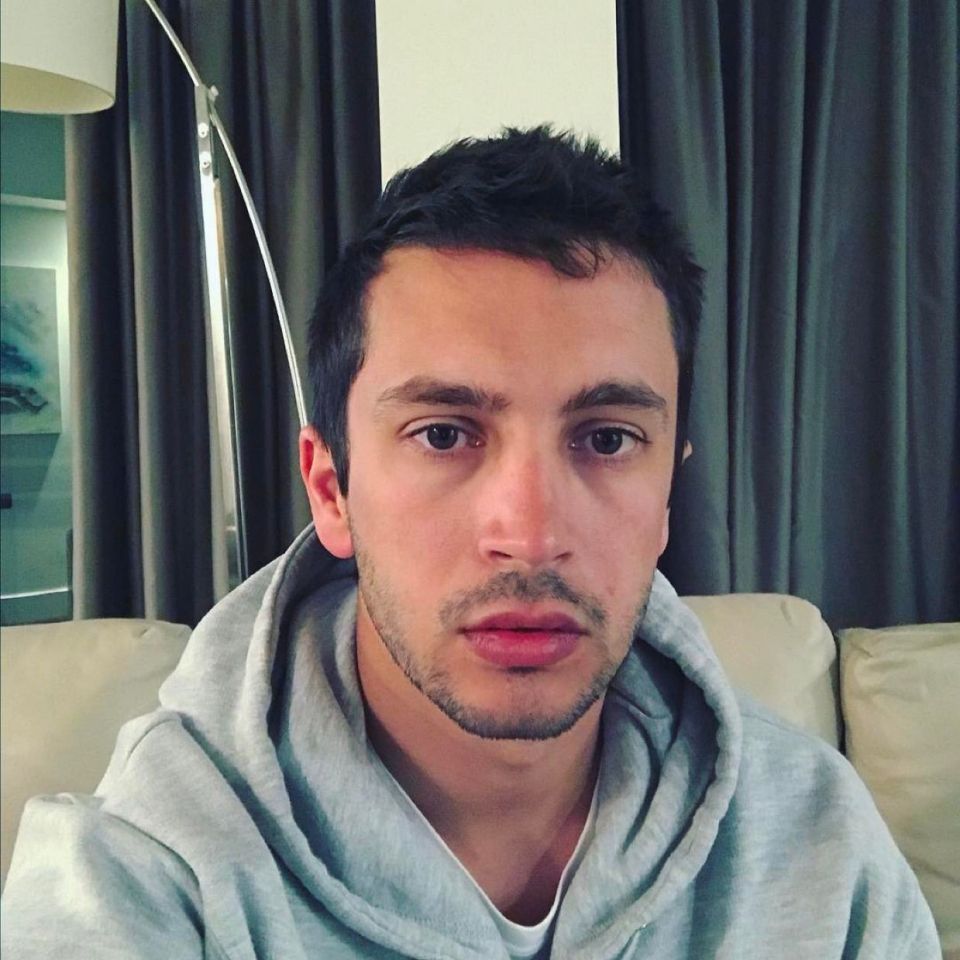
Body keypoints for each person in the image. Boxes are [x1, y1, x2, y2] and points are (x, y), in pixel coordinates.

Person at [2, 127, 939, 959]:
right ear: (331, 489)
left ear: (666, 498)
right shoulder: (148, 869)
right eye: (444, 433)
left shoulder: (819, 844)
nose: (530, 537)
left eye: (608, 439)